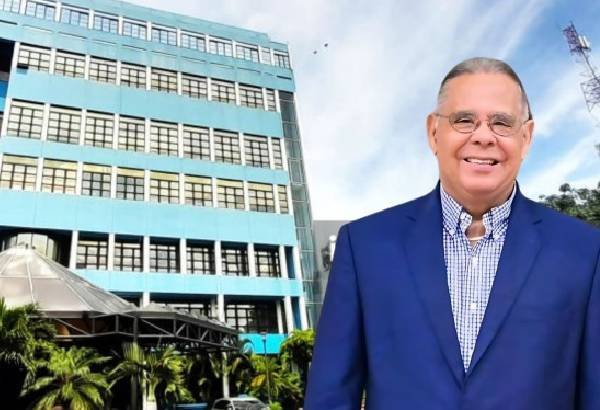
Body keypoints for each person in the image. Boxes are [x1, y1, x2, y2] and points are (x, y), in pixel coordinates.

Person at [304, 57, 600, 409]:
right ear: (434, 133)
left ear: (526, 137)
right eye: (464, 120)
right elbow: (330, 397)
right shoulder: (365, 247)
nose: (483, 136)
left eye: (502, 123)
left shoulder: (584, 252)